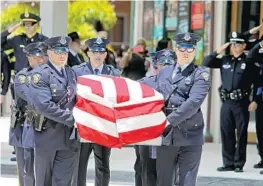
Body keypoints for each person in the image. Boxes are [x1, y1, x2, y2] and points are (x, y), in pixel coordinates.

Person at [156, 32, 211, 186]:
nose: (186, 52)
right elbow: (153, 94)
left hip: (189, 136)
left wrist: (168, 121)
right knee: (164, 181)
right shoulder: (164, 72)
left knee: (187, 182)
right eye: (182, 48)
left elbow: (193, 103)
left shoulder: (201, 74)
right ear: (175, 49)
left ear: (195, 51)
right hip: (167, 137)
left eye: (190, 48)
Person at [203, 32, 260, 173]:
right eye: (233, 44)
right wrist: (218, 50)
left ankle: (238, 163)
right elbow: (206, 62)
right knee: (226, 132)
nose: (235, 47)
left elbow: (259, 82)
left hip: (242, 102)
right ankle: (228, 162)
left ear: (244, 46)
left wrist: (255, 100)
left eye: (238, 44)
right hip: (227, 102)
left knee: (241, 134)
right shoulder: (225, 60)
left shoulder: (249, 62)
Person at [29, 36, 80, 186]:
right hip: (47, 137)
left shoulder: (70, 73)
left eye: (65, 51)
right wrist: (72, 118)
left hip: (68, 138)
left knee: (63, 182)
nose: (62, 55)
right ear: (49, 53)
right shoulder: (41, 75)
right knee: (44, 181)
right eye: (58, 51)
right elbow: (44, 106)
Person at [73, 37, 120, 186]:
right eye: (94, 52)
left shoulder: (114, 73)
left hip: (104, 126)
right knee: (79, 165)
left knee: (103, 165)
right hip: (84, 126)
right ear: (88, 53)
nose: (97, 55)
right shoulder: (77, 71)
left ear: (106, 54)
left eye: (101, 51)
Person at [138, 49, 176, 186]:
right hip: (148, 134)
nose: (165, 67)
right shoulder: (144, 83)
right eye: (162, 64)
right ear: (155, 65)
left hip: (171, 134)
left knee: (168, 173)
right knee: (148, 171)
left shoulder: (180, 85)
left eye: (169, 64)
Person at [14, 41, 48, 186]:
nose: (40, 60)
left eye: (42, 56)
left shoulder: (51, 74)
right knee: (29, 168)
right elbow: (27, 100)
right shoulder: (22, 76)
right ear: (29, 57)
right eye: (36, 57)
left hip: (50, 129)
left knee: (46, 169)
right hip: (31, 125)